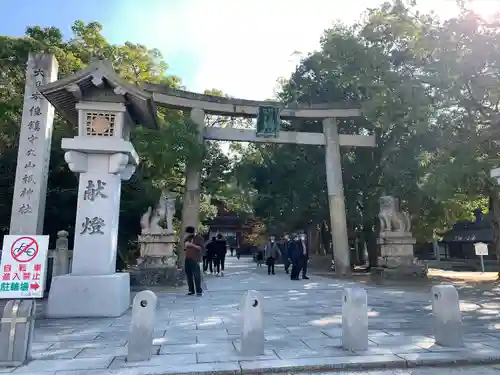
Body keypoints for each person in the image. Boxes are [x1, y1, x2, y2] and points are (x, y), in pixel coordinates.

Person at [184, 226, 204, 296]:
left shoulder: (199, 238)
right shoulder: (187, 238)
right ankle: (191, 290)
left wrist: (192, 245)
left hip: (195, 259)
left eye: (188, 233)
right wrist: (186, 245)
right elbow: (185, 247)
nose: (187, 235)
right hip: (187, 258)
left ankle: (198, 290)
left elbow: (200, 248)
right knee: (189, 275)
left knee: (196, 275)